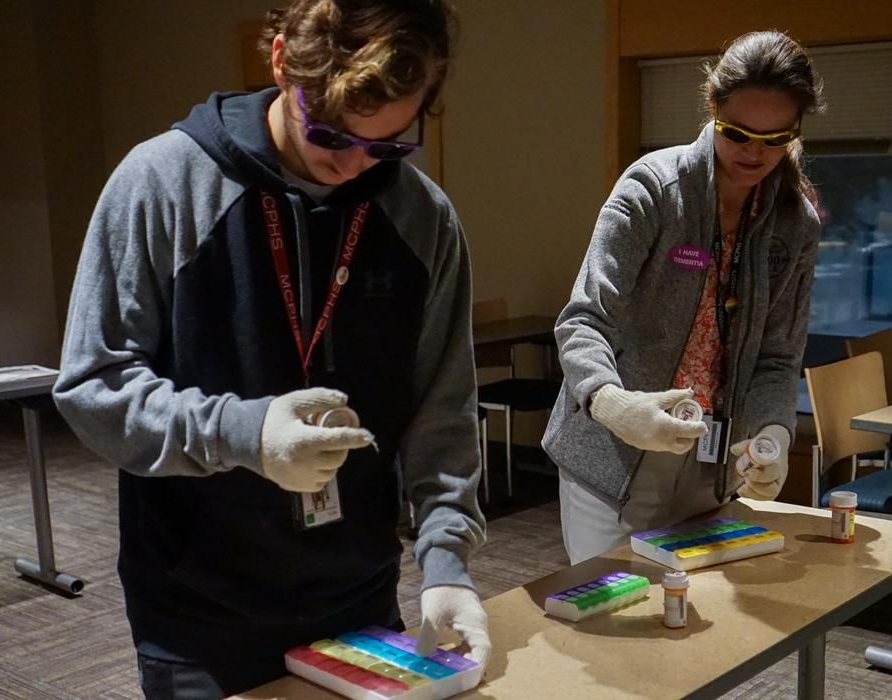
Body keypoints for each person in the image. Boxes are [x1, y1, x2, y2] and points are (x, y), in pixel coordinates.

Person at [53, 2, 488, 697]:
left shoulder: (421, 217)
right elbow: (92, 386)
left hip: (355, 594)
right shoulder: (163, 182)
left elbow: (442, 411)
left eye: (386, 144)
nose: (351, 166)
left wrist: (445, 562)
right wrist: (244, 434)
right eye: (330, 133)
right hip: (198, 606)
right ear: (282, 61)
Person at [543, 31, 824, 564]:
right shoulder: (652, 190)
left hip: (711, 462)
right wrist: (613, 403)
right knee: (621, 618)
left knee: (698, 627)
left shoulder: (794, 223)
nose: (754, 153)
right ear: (712, 109)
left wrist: (772, 435)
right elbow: (584, 320)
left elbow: (778, 355)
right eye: (737, 133)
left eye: (774, 139)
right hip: (614, 452)